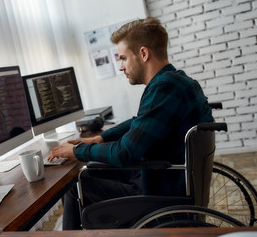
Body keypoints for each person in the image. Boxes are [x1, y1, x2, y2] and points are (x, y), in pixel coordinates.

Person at [48, 17, 213, 230]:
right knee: (92, 170)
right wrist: (100, 138)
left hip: (159, 189)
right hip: (166, 174)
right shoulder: (176, 81)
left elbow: (124, 153)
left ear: (143, 54)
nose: (121, 67)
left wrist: (78, 150)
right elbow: (139, 122)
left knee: (76, 184)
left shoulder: (164, 88)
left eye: (123, 58)